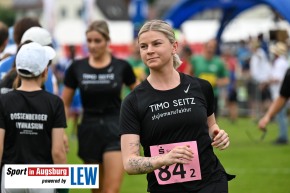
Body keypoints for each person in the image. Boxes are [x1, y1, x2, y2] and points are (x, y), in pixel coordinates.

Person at [120, 20, 234, 193]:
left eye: (156, 43)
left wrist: (219, 135)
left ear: (174, 47)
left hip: (210, 182)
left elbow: (211, 126)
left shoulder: (201, 87)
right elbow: (130, 163)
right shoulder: (133, 101)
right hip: (165, 188)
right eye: (143, 46)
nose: (149, 50)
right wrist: (164, 159)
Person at [61, 20, 139, 193]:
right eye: (89, 41)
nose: (93, 45)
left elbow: (140, 95)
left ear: (107, 41)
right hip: (89, 129)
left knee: (111, 190)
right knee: (96, 190)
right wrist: (60, 132)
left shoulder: (121, 66)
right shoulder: (76, 68)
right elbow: (64, 103)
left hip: (116, 128)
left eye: (97, 40)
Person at [0, 41, 67, 193]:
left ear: (18, 70)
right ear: (45, 71)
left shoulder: (3, 101)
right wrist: (64, 186)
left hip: (12, 174)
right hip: (42, 175)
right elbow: (58, 152)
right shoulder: (55, 103)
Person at [259, 42, 289, 144]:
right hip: (279, 93)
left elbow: (278, 78)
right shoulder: (281, 62)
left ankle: (283, 137)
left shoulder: (280, 63)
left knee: (281, 115)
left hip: (280, 94)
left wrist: (267, 82)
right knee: (281, 115)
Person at [189, 39, 229, 117]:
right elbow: (187, 73)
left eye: (212, 47)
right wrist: (195, 83)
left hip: (213, 95)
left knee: (213, 119)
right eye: (209, 47)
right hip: (198, 94)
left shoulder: (219, 62)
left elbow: (226, 80)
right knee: (198, 118)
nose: (210, 49)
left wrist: (215, 81)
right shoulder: (195, 59)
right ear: (204, 47)